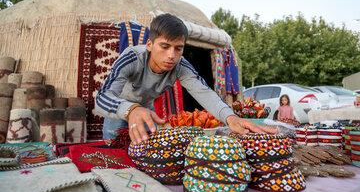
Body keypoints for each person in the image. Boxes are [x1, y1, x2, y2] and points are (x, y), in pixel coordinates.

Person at [95, 13, 277, 144]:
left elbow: (204, 92)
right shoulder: (132, 57)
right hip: (121, 106)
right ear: (149, 44)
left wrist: (231, 118)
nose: (171, 55)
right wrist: (131, 110)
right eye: (164, 46)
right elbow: (102, 98)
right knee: (113, 148)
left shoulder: (180, 66)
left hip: (146, 107)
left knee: (143, 150)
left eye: (178, 48)